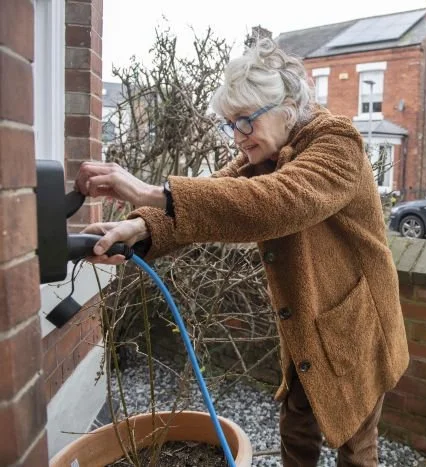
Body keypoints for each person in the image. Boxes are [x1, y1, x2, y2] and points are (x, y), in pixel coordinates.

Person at [75, 38, 409, 466]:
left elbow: (276, 201)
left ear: (286, 106)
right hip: (309, 325)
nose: (237, 137)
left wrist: (145, 190)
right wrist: (138, 228)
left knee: (356, 448)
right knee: (296, 428)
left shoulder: (337, 142)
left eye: (246, 121)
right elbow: (216, 193)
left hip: (355, 323)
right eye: (230, 124)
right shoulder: (265, 151)